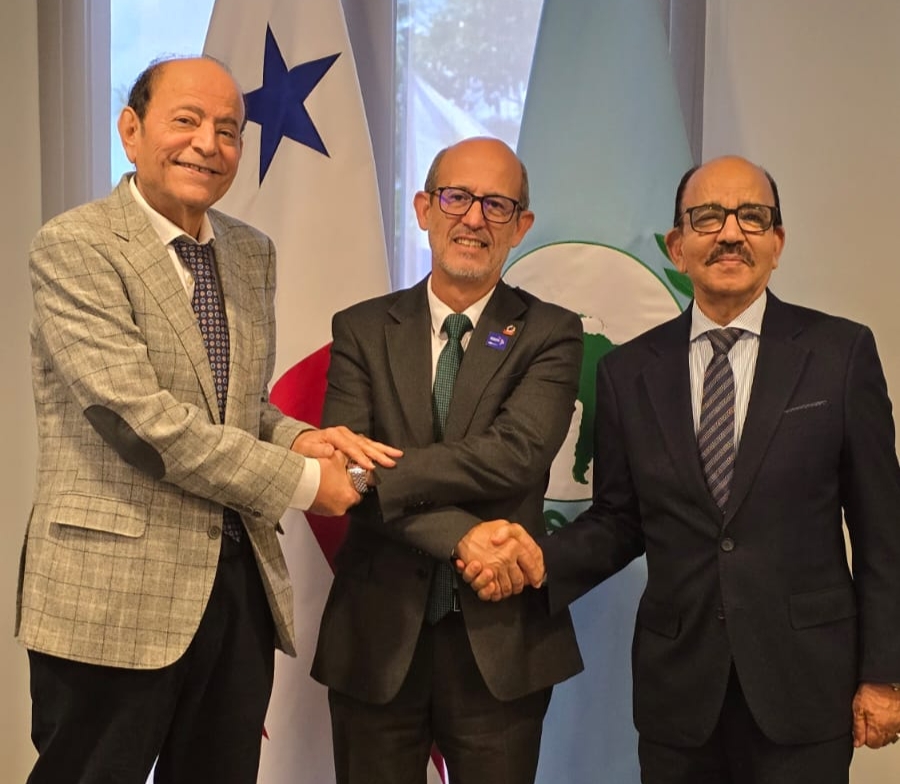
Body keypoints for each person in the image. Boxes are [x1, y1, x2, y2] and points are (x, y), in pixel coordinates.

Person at [16, 56, 399, 784]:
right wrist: (302, 480)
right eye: (186, 120)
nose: (208, 143)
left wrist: (302, 437)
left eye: (228, 129)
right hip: (110, 595)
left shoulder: (250, 251)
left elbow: (239, 407)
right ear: (131, 131)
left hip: (236, 591)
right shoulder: (76, 246)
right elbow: (140, 422)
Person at [463, 155, 900, 783]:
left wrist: (884, 674)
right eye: (708, 217)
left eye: (753, 217)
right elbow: (619, 521)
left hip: (806, 686)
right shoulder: (627, 371)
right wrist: (537, 558)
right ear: (677, 246)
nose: (731, 233)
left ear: (777, 242)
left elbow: (883, 529)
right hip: (679, 694)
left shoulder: (841, 354)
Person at [310, 137, 584, 784]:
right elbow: (343, 480)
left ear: (521, 226)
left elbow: (514, 457)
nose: (473, 218)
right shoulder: (360, 329)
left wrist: (378, 472)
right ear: (424, 208)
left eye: (496, 205)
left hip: (502, 641)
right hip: (375, 638)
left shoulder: (551, 332)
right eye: (457, 197)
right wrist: (464, 535)